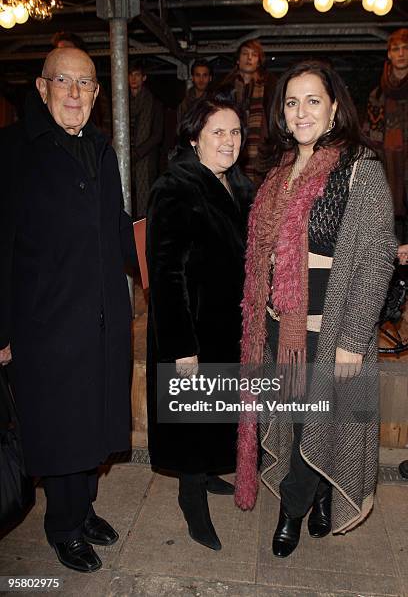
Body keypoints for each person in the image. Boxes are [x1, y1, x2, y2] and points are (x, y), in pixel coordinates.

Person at [234, 60, 397, 558]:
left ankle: (292, 510)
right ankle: (322, 492)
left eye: (312, 100)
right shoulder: (280, 171)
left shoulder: (360, 168)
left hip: (333, 330)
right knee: (300, 420)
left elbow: (375, 258)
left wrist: (352, 341)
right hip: (286, 329)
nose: (300, 111)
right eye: (291, 102)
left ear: (333, 110)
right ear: (281, 115)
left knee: (320, 421)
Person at [0, 47, 136, 572]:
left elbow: (113, 222)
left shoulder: (100, 147)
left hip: (100, 315)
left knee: (93, 420)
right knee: (60, 428)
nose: (75, 93)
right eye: (65, 82)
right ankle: (63, 526)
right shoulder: (14, 150)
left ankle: (83, 510)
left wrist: (158, 246)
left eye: (86, 84)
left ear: (98, 94)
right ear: (42, 87)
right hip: (46, 321)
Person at [146, 94, 253, 551]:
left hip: (224, 323)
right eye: (217, 133)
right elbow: (166, 273)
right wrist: (180, 345)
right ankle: (192, 499)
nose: (229, 142)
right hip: (189, 326)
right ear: (194, 138)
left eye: (235, 132)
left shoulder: (237, 184)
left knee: (215, 412)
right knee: (191, 418)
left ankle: (207, 473)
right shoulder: (175, 187)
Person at [364, 28, 408, 244]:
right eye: (396, 49)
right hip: (387, 166)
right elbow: (370, 138)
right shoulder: (378, 93)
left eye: (405, 48)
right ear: (389, 54)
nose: (401, 53)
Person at [217, 39, 275, 185]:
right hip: (231, 145)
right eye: (245, 54)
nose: (249, 58)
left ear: (259, 61)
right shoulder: (225, 87)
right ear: (237, 60)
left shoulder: (270, 86)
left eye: (254, 55)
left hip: (261, 149)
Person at [52, 30, 112, 138]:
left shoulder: (92, 86)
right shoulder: (50, 85)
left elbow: (104, 120)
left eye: (67, 51)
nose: (62, 55)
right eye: (59, 51)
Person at [128, 61, 164, 220]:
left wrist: (137, 153)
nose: (133, 78)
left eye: (136, 75)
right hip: (125, 157)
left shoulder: (154, 103)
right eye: (130, 75)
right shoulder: (121, 102)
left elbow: (157, 135)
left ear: (144, 78)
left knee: (146, 203)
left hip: (146, 160)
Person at [177, 58, 213, 124]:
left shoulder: (215, 101)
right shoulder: (185, 103)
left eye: (205, 75)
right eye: (198, 75)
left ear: (210, 78)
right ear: (193, 78)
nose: (201, 80)